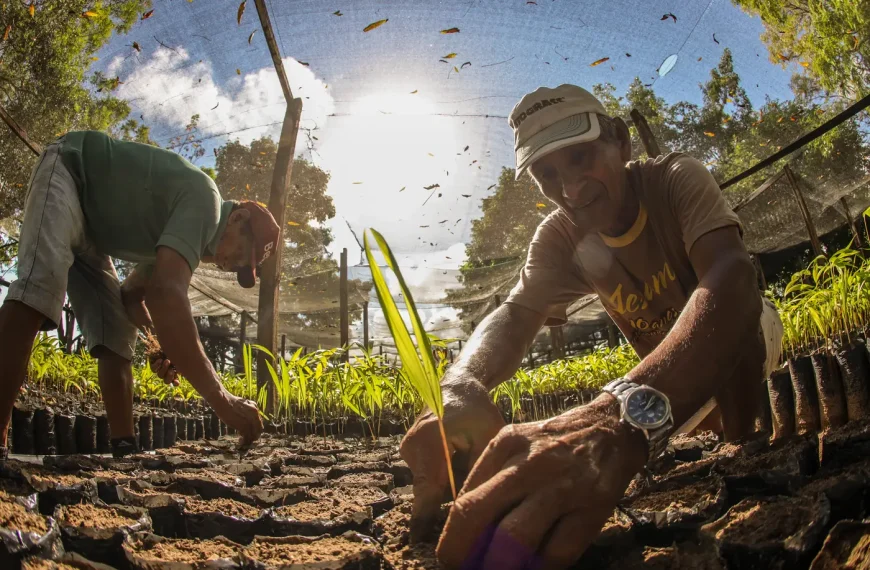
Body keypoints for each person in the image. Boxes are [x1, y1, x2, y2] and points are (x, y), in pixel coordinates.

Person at [399, 85, 784, 570]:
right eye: (547, 174)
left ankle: (746, 446)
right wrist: (461, 381)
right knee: (691, 422)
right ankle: (721, 434)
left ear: (621, 142)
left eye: (581, 158)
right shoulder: (559, 235)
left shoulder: (672, 178)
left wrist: (616, 415)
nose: (571, 188)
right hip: (666, 367)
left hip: (746, 333)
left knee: (733, 349)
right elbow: (516, 314)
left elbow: (731, 281)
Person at [0, 130, 275, 459]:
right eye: (243, 254)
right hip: (71, 173)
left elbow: (132, 296)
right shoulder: (207, 201)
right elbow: (165, 294)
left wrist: (158, 344)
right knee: (38, 290)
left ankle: (124, 449)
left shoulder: (184, 241)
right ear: (238, 217)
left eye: (241, 269)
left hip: (93, 235)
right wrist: (222, 399)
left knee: (115, 330)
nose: (233, 266)